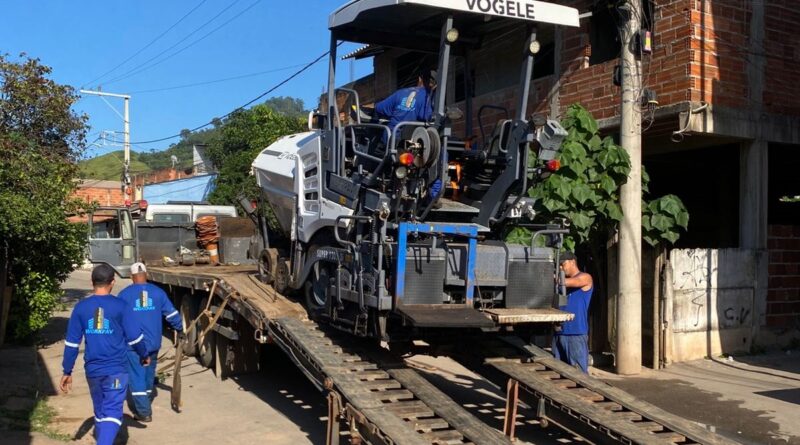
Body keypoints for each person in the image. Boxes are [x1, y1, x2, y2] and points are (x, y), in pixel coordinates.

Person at [60, 264, 150, 445]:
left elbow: (71, 343)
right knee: (113, 410)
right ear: (113, 282)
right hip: (116, 370)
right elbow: (135, 338)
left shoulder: (81, 308)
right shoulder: (121, 306)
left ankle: (103, 439)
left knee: (100, 411)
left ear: (92, 282)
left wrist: (67, 370)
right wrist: (144, 354)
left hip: (92, 371)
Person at [117, 262, 183, 422]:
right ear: (146, 275)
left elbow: (116, 320)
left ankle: (144, 412)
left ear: (132, 277)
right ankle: (145, 400)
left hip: (133, 346)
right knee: (148, 373)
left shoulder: (124, 295)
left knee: (136, 376)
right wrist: (180, 329)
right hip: (153, 344)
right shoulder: (158, 293)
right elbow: (172, 314)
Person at [553, 251, 594, 374]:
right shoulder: (559, 283)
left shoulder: (585, 277)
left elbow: (568, 282)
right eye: (558, 265)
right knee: (558, 372)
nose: (561, 267)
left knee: (579, 375)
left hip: (576, 334)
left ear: (572, 262)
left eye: (562, 264)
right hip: (559, 333)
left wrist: (549, 277)